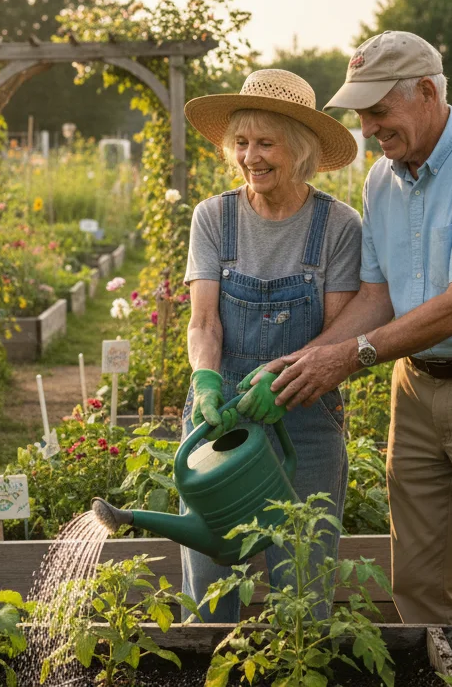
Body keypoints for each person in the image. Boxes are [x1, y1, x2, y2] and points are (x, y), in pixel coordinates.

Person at [257, 31, 452, 624]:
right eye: (361, 115)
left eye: (378, 112)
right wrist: (306, 359)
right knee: (418, 581)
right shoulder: (381, 180)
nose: (367, 129)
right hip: (417, 388)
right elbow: (377, 297)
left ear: (426, 91)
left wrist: (350, 358)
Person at [180, 68, 362, 621]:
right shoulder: (213, 217)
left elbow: (338, 335)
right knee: (211, 588)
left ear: (301, 150)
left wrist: (284, 381)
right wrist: (206, 380)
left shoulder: (338, 226)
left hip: (304, 422)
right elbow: (205, 321)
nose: (250, 157)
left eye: (265, 143)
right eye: (240, 143)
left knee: (302, 587)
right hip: (223, 419)